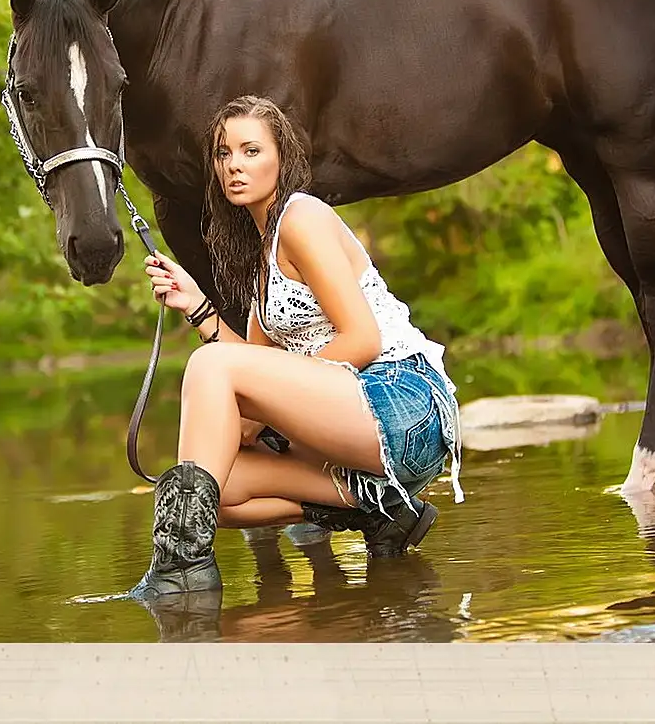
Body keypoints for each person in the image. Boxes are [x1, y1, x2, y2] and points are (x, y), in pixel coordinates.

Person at [128, 94, 464, 600]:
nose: (235, 166)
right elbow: (255, 366)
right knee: (212, 493)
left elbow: (362, 339)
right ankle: (380, 510)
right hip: (352, 432)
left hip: (403, 402)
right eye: (224, 154)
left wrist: (265, 414)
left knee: (211, 371)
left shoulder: (301, 217)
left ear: (281, 157)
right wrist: (197, 307)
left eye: (250, 151)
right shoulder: (263, 259)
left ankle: (179, 570)